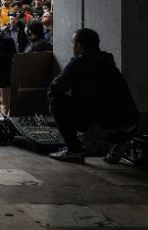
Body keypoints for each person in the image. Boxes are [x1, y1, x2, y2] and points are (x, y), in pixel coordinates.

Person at [48, 28, 140, 163]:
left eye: (73, 43)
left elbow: (54, 88)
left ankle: (74, 150)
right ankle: (117, 143)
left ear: (79, 45)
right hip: (131, 124)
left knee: (56, 100)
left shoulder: (79, 62)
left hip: (105, 125)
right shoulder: (107, 60)